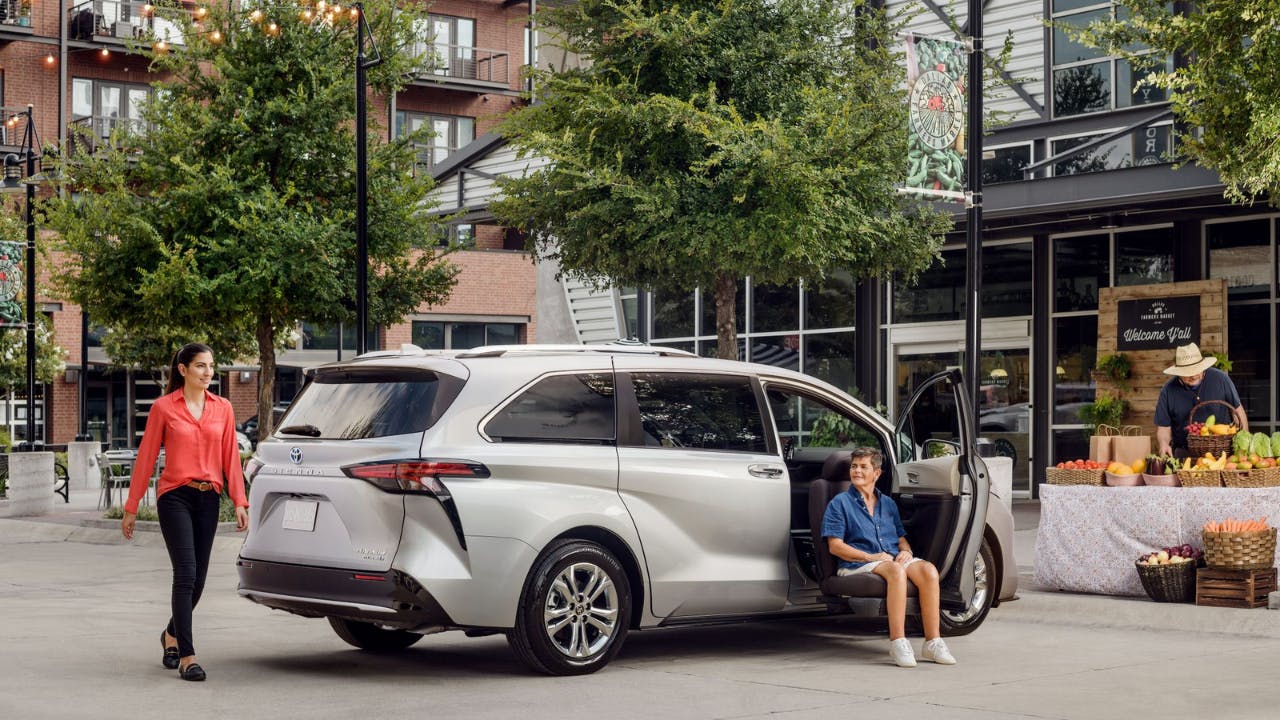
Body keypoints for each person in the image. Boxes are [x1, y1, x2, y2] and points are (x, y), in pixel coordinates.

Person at [121, 343, 249, 682]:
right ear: (183, 370)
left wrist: (239, 500)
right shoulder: (164, 408)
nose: (208, 373)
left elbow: (230, 459)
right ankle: (187, 656)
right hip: (175, 496)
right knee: (186, 573)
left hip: (209, 499)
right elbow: (146, 457)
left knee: (200, 581)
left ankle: (170, 635)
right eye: (200, 366)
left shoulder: (223, 408)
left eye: (211, 366)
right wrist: (131, 507)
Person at [820, 446, 955, 668]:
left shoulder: (888, 504)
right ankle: (898, 641)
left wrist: (906, 551)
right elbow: (835, 547)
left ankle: (933, 642)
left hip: (889, 558)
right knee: (895, 570)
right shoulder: (839, 503)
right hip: (856, 562)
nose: (857, 471)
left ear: (877, 473)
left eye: (864, 467)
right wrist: (870, 556)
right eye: (854, 466)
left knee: (929, 570)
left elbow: (900, 537)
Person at [1155, 342, 1247, 458]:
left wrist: (1244, 443)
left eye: (1196, 370)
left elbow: (1237, 412)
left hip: (1223, 452)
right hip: (1184, 453)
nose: (1193, 376)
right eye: (1187, 373)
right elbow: (1163, 427)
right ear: (1178, 373)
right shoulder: (1168, 390)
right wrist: (1163, 444)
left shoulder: (1221, 379)